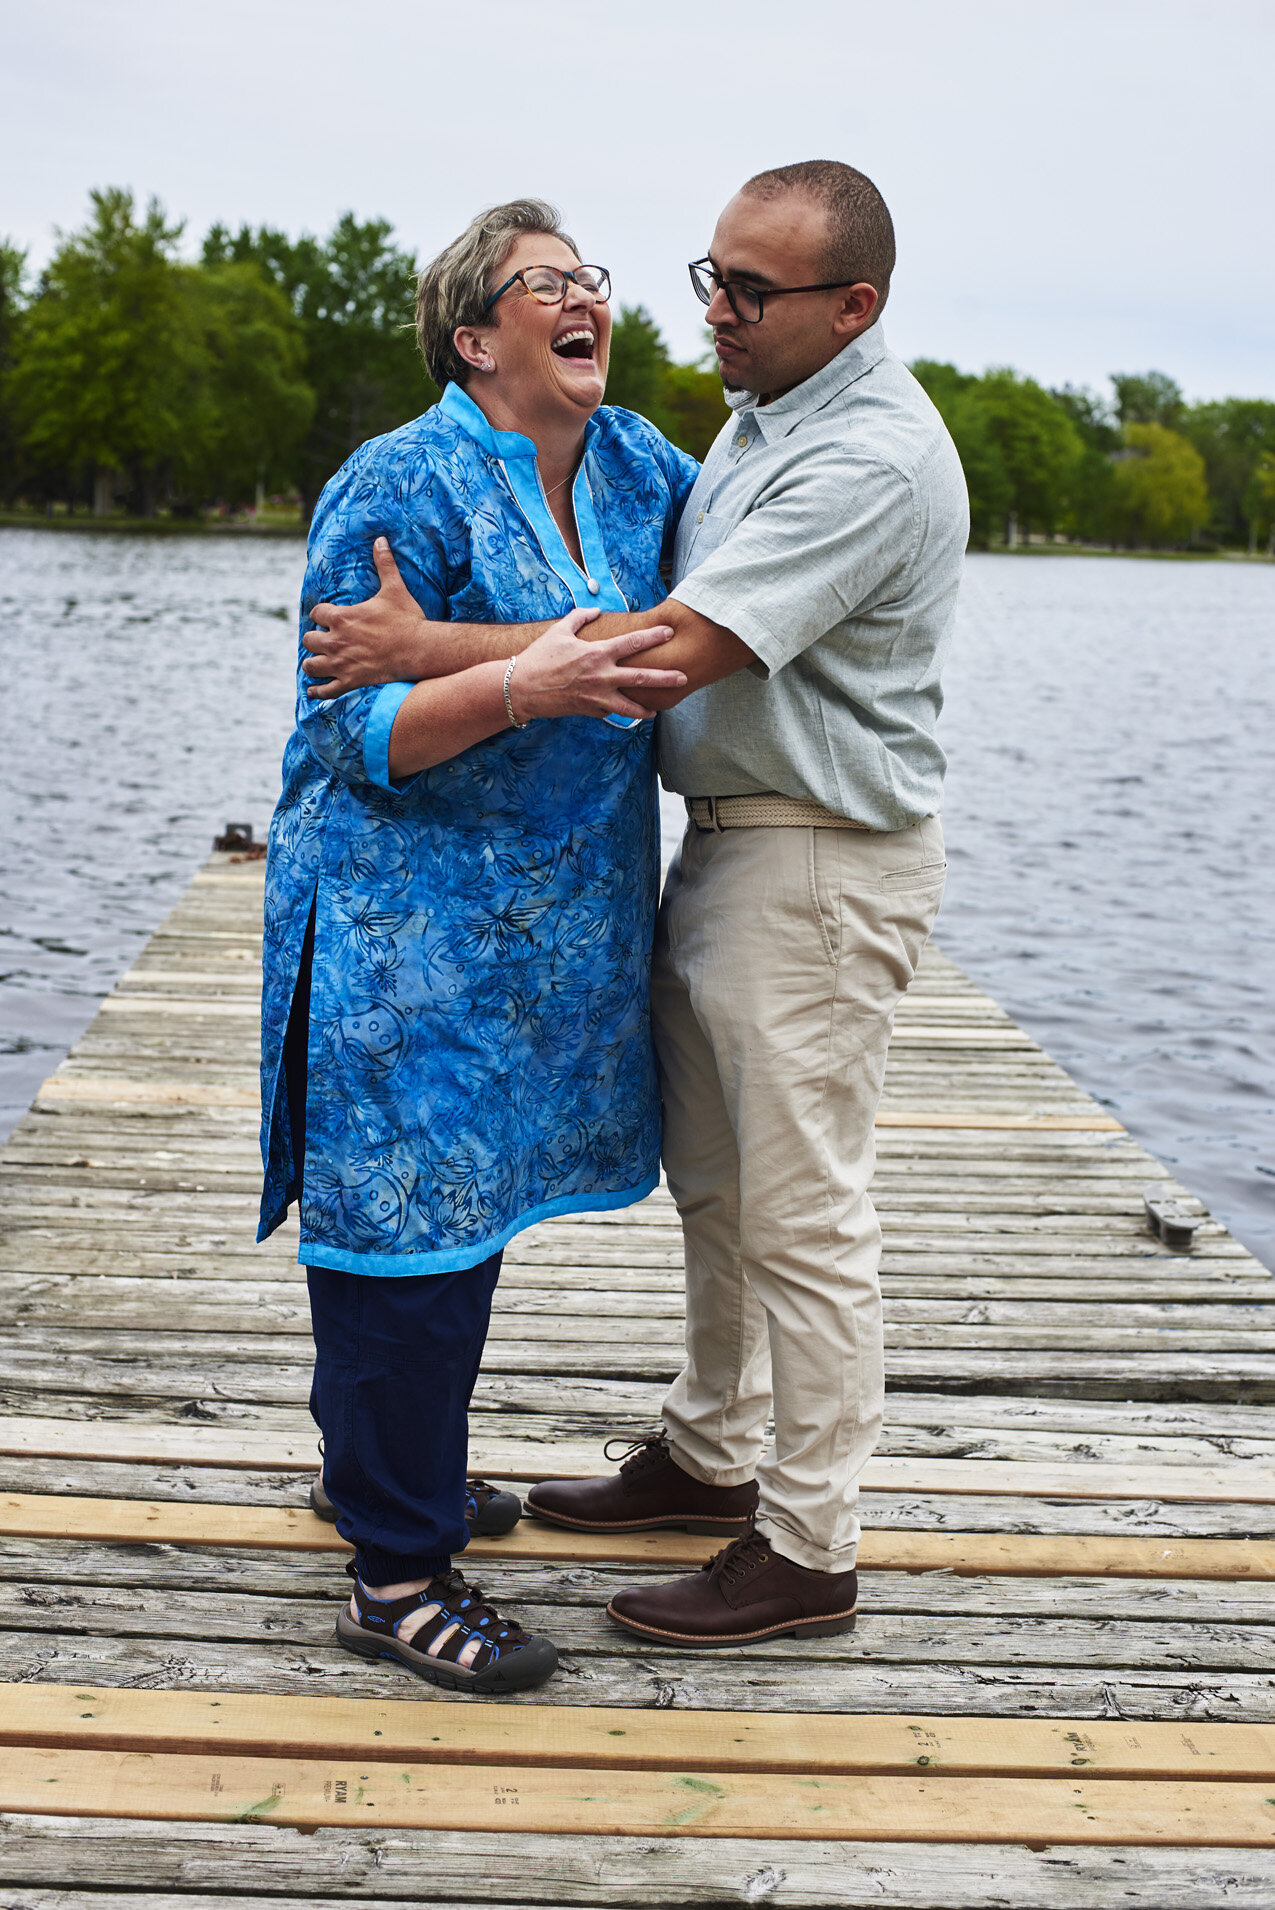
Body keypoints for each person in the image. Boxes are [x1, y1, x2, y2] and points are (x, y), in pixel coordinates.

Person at [302, 160, 968, 1650]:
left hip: (812, 858)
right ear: (472, 336)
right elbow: (347, 712)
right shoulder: (733, 427)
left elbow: (662, 652)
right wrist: (424, 662)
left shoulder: (838, 460)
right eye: (710, 277)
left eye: (752, 290)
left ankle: (808, 1541)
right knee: (695, 1198)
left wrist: (430, 645)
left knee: (802, 1216)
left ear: (853, 307)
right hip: (625, 877)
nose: (710, 309)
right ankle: (697, 1454)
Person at [258, 198, 697, 1694]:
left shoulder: (638, 462)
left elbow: (695, 619)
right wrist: (518, 684)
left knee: (470, 1223)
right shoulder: (397, 480)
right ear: (473, 337)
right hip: (405, 932)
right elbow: (351, 724)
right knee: (405, 1236)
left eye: (590, 278)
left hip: (553, 938)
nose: (584, 300)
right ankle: (395, 1576)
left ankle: (374, 1471)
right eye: (544, 283)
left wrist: (466, 649)